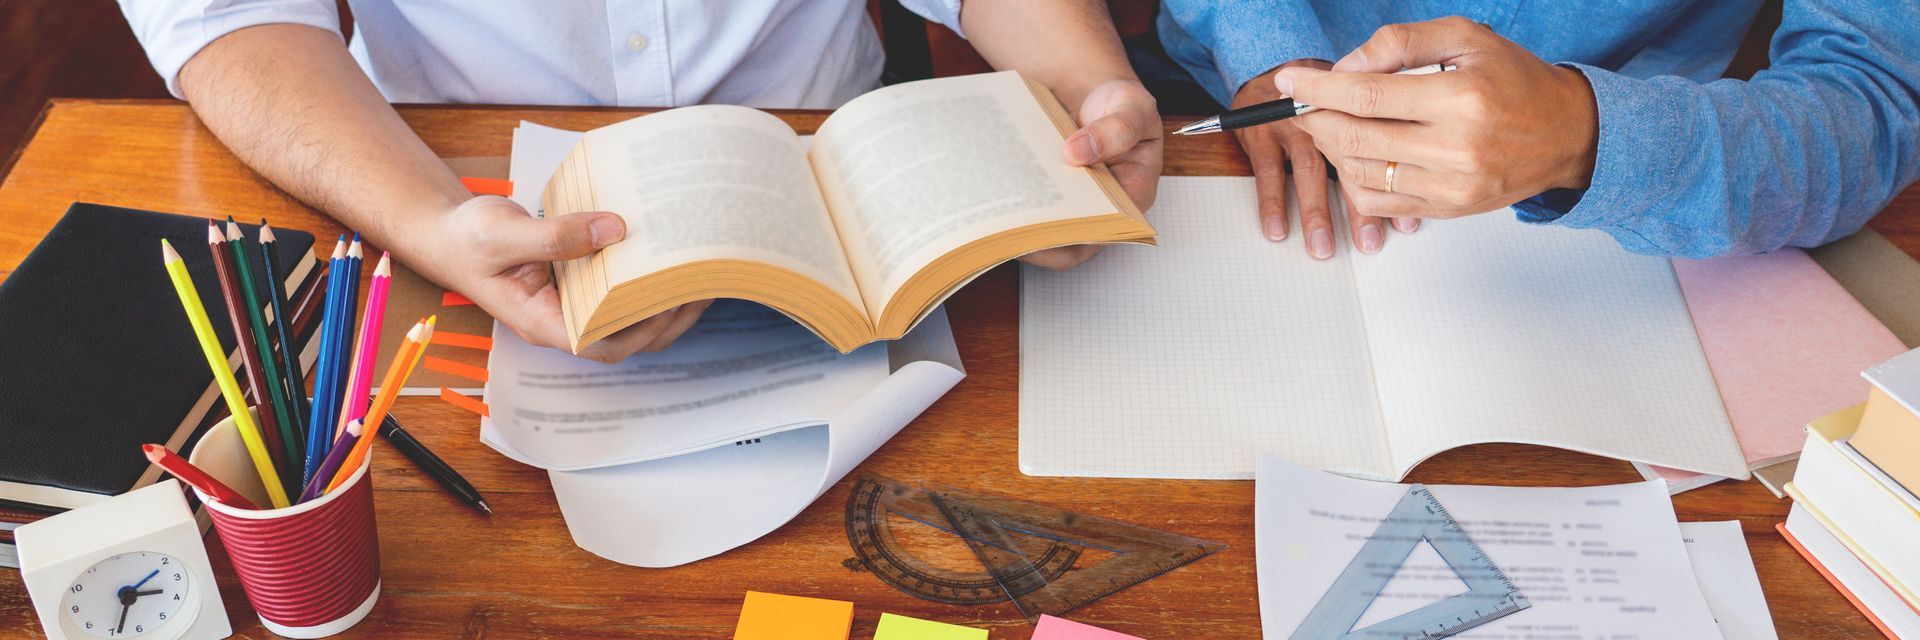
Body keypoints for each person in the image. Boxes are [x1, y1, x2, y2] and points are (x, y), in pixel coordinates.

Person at [119, 1, 1162, 362]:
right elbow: (226, 17)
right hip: (440, 200)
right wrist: (433, 222)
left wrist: (1083, 86)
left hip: (851, 199)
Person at [1157, 2, 1920, 260]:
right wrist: (1264, 42)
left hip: (1624, 227)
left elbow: (1876, 99)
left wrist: (1591, 135)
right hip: (1225, 117)